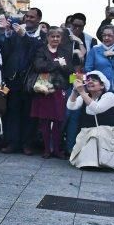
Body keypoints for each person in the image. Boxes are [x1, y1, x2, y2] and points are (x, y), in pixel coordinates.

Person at [0, 7, 45, 154]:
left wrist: (24, 36)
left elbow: (39, 50)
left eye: (32, 17)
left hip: (31, 80)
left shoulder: (43, 36)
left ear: (39, 19)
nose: (28, 19)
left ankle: (27, 144)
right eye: (27, 16)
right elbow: (6, 53)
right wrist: (7, 34)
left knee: (29, 114)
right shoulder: (16, 32)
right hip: (14, 79)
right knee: (13, 112)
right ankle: (13, 143)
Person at [29, 28, 73, 158]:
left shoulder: (65, 51)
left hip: (59, 89)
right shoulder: (41, 50)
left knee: (59, 121)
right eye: (52, 36)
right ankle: (47, 149)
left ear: (61, 38)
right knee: (44, 122)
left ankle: (57, 150)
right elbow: (38, 66)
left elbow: (70, 70)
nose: (55, 39)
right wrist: (57, 63)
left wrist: (62, 67)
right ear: (47, 37)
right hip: (44, 89)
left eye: (57, 37)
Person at [84, 25, 114, 96]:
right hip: (100, 88)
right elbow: (88, 68)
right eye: (104, 35)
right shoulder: (95, 50)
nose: (106, 38)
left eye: (109, 35)